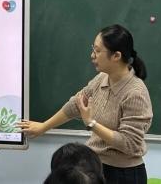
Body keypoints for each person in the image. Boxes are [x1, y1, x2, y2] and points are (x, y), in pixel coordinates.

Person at [18, 24, 153, 184]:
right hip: (96, 166)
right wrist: (43, 127)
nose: (92, 55)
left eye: (98, 51)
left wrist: (91, 123)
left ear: (116, 56)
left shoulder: (135, 93)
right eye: (93, 49)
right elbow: (76, 104)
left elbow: (129, 143)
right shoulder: (102, 78)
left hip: (123, 175)